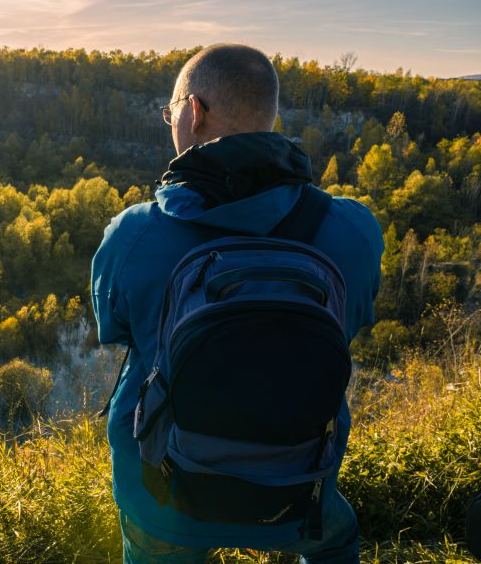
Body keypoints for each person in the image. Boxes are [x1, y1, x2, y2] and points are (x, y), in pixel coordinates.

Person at [91, 44, 383, 563]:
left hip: (165, 494)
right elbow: (351, 323)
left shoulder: (133, 235)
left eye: (171, 111)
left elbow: (117, 331)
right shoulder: (353, 232)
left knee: (156, 542)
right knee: (334, 538)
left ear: (194, 112)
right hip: (299, 484)